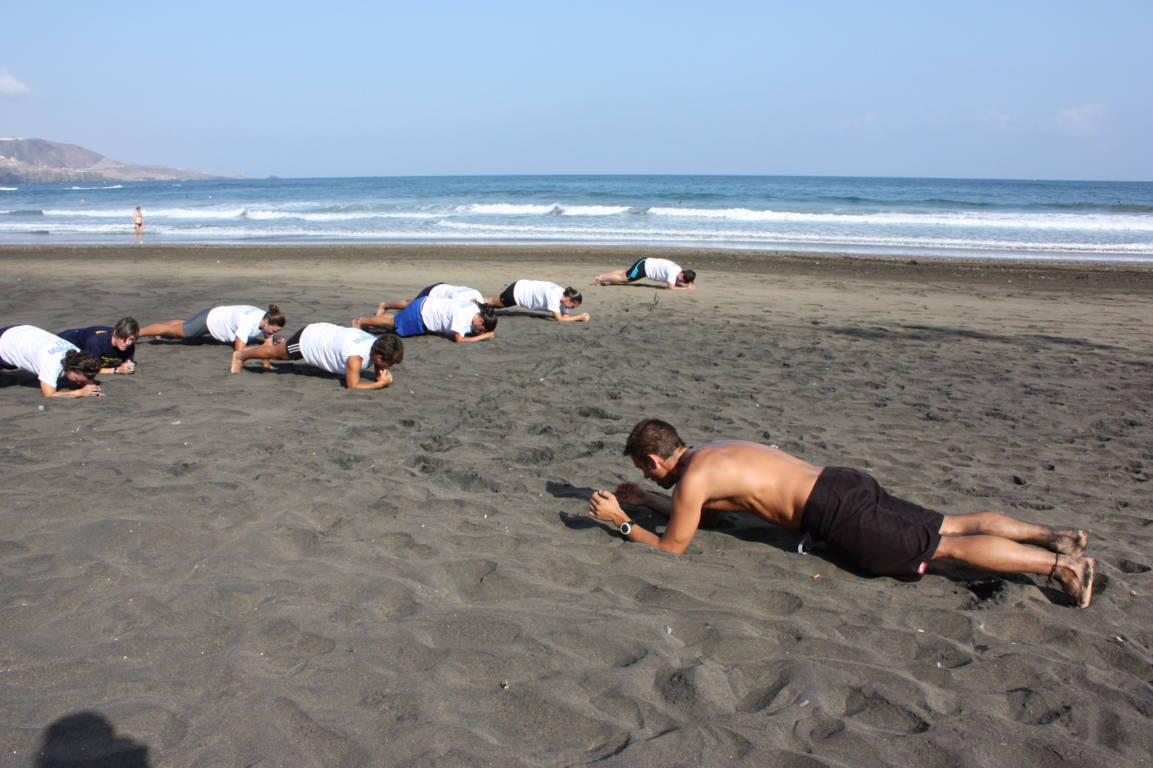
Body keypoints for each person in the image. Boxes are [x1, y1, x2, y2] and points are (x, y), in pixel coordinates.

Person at [587, 419, 1096, 607]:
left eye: (644, 472)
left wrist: (622, 522)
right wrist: (651, 502)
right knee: (950, 522)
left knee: (945, 547)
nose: (649, 477)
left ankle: (1061, 567)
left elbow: (674, 547)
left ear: (653, 460)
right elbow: (713, 516)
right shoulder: (713, 453)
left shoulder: (693, 480)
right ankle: (1058, 537)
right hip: (842, 480)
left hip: (833, 509)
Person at [229, 322, 402, 390]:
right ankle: (241, 355)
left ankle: (269, 349)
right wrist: (378, 384)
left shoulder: (377, 343)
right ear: (377, 355)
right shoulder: (355, 357)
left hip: (326, 333)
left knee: (278, 352)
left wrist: (380, 373)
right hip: (309, 339)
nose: (389, 366)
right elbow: (352, 386)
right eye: (388, 362)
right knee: (278, 354)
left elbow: (380, 361)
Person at [0, 325, 104, 398]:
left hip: (21, 332)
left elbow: (84, 370)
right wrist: (80, 393)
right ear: (71, 368)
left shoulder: (77, 354)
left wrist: (89, 384)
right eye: (77, 379)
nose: (78, 383)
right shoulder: (52, 364)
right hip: (6, 342)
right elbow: (48, 394)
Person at [138, 304, 286, 352]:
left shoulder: (266, 318)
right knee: (179, 332)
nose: (273, 333)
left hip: (216, 315)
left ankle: (158, 332)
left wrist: (273, 343)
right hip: (210, 320)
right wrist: (263, 348)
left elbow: (268, 342)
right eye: (274, 331)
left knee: (184, 326)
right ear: (266, 321)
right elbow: (239, 349)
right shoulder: (249, 322)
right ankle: (136, 333)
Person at [353, 296, 497, 343]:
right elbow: (458, 339)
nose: (478, 331)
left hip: (426, 304)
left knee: (397, 319)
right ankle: (361, 322)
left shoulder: (476, 308)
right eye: (481, 329)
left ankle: (376, 317)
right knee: (394, 323)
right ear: (481, 321)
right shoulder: (462, 317)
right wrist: (482, 336)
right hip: (422, 314)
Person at [55, 317, 139, 376]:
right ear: (115, 333)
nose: (127, 343)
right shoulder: (96, 343)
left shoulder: (130, 346)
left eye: (131, 339)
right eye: (123, 338)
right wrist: (116, 370)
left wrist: (128, 365)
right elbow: (87, 369)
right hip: (63, 341)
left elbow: (128, 362)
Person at [484, 280, 590, 322]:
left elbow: (565, 316)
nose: (572, 309)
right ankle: (476, 302)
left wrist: (579, 317)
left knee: (495, 306)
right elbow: (558, 318)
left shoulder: (564, 298)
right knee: (495, 303)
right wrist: (579, 318)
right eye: (573, 306)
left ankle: (480, 308)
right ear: (569, 299)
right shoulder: (554, 295)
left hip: (522, 290)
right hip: (518, 291)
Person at [373, 283, 483, 315]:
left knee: (411, 304)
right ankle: (385, 305)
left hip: (443, 287)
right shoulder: (459, 301)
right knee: (410, 304)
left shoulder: (478, 297)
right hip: (433, 292)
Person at [594, 257, 696, 290]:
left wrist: (683, 285)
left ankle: (602, 276)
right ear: (682, 274)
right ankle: (601, 279)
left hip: (645, 264)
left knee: (625, 274)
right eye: (683, 280)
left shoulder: (678, 269)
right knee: (625, 278)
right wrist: (685, 288)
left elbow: (674, 283)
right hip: (644, 267)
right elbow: (670, 287)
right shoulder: (673, 272)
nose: (681, 282)